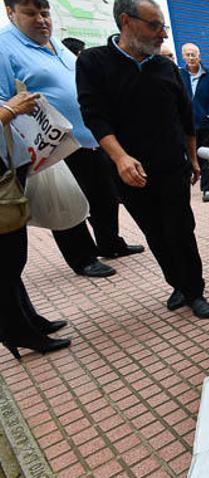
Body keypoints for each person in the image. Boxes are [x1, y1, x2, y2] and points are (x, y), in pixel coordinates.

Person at [77, 0, 209, 318]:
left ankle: (195, 290)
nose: (162, 34)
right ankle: (177, 284)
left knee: (181, 229)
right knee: (155, 232)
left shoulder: (166, 67)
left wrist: (193, 159)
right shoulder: (93, 63)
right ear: (127, 21)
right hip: (128, 171)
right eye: (155, 26)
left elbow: (186, 118)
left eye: (163, 26)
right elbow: (94, 117)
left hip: (172, 167)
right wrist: (121, 158)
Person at [0, 0, 144, 279]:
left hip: (89, 137)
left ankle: (110, 243)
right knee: (66, 199)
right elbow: (5, 100)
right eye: (31, 13)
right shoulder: (4, 47)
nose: (41, 19)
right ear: (11, 12)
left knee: (104, 195)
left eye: (45, 13)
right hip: (51, 146)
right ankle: (82, 258)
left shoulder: (53, 42)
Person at [1, 90, 71, 359]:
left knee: (11, 262)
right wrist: (10, 111)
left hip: (8, 171)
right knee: (6, 263)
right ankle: (16, 330)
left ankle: (26, 320)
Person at [180, 42, 209, 203]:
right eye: (188, 54)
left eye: (194, 54)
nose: (191, 57)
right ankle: (190, 182)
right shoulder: (180, 75)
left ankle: (207, 188)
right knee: (190, 156)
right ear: (183, 57)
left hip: (208, 123)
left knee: (206, 156)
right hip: (187, 125)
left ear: (199, 56)